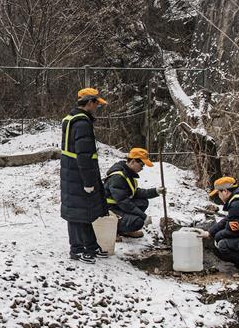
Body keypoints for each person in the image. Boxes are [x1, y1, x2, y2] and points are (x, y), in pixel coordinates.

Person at [60, 87, 109, 263]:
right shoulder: (82, 124)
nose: (97, 107)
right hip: (79, 174)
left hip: (71, 172)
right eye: (96, 103)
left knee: (82, 211)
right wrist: (88, 181)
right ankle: (77, 249)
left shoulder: (71, 118)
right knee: (77, 214)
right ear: (89, 102)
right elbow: (85, 155)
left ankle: (90, 245)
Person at [104, 148, 165, 238]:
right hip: (109, 210)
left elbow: (135, 192)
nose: (142, 168)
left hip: (118, 206)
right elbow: (124, 202)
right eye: (141, 165)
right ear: (132, 161)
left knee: (143, 202)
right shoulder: (118, 177)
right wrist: (144, 216)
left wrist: (156, 191)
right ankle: (113, 230)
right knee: (138, 222)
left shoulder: (127, 173)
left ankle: (124, 230)